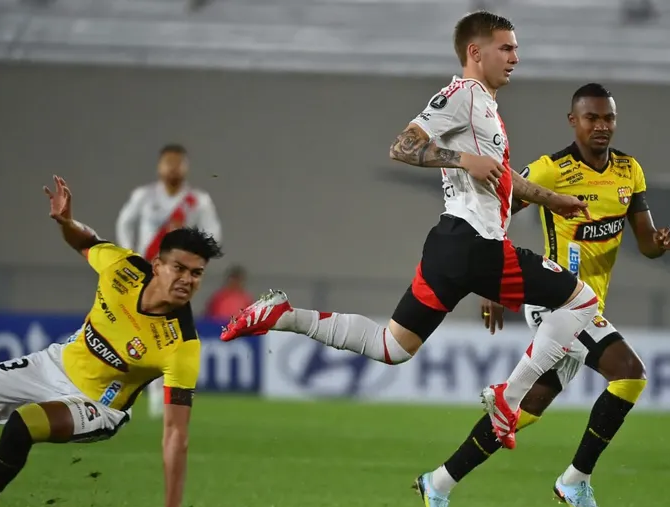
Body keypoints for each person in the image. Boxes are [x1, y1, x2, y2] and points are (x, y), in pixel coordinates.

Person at [221, 10, 598, 452]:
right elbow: (403, 145)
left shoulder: (484, 108)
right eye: (507, 47)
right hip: (474, 244)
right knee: (582, 300)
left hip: (452, 249)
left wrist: (554, 200)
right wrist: (463, 161)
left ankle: (283, 316)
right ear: (475, 52)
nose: (516, 56)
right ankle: (508, 398)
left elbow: (500, 176)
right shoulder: (463, 95)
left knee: (393, 346)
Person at [414, 82, 670, 507]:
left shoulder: (629, 171)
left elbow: (646, 243)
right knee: (629, 374)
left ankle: (438, 482)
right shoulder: (550, 170)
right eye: (591, 117)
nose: (601, 126)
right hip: (555, 298)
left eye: (608, 118)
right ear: (573, 121)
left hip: (587, 306)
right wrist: (493, 283)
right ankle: (575, 480)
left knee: (522, 411)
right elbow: (492, 218)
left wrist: (660, 243)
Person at [0, 176, 222, 507]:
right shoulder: (122, 268)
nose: (187, 279)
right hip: (53, 364)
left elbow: (175, 432)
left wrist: (172, 505)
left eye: (197, 273)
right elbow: (86, 242)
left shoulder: (182, 344)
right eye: (180, 268)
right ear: (156, 265)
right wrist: (66, 222)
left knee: (24, 425)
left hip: (98, 404)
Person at [116, 143, 222, 419]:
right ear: (159, 166)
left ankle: (164, 398)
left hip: (177, 279)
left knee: (169, 336)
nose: (173, 168)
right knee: (137, 330)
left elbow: (214, 236)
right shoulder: (144, 196)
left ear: (186, 167)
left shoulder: (198, 201)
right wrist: (131, 253)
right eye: (168, 162)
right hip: (148, 273)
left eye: (178, 163)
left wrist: (192, 247)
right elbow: (125, 223)